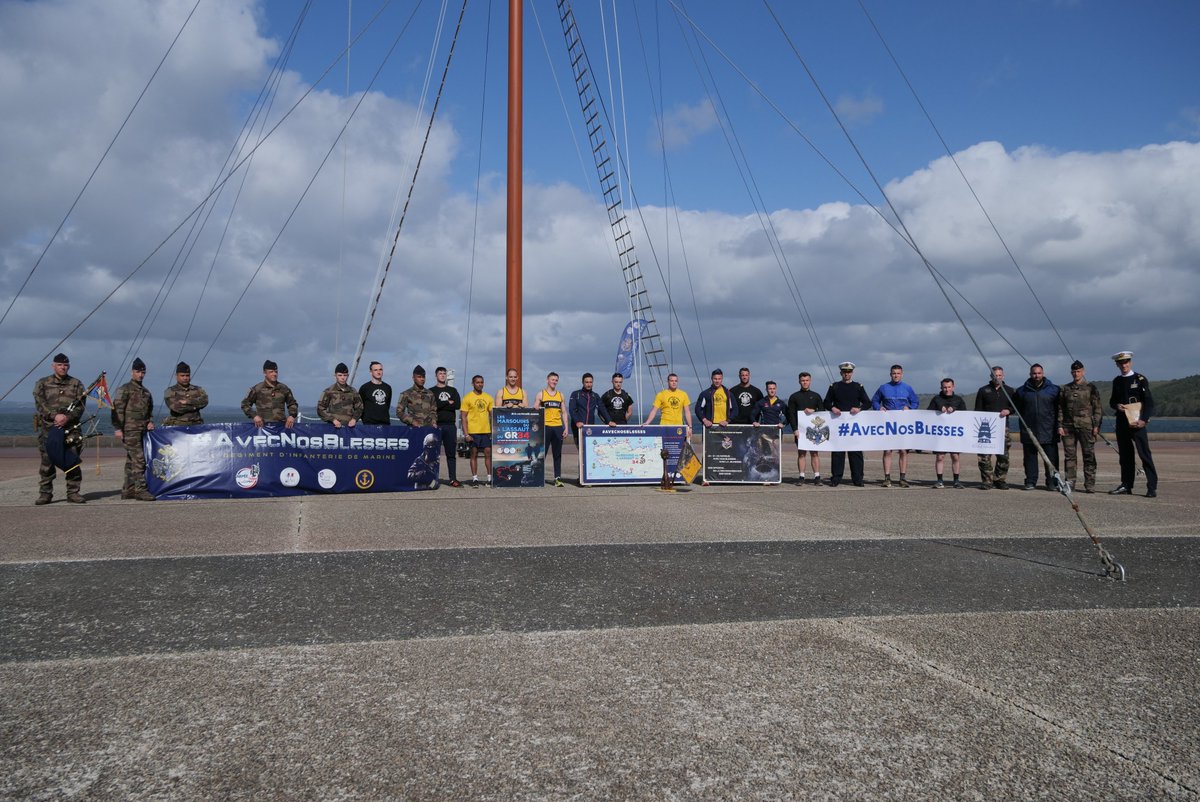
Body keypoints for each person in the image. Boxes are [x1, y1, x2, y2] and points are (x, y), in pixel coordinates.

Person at [32, 353, 87, 505]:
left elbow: (80, 406)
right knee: (47, 463)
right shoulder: (43, 383)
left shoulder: (76, 384)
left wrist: (67, 418)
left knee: (72, 461)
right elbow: (40, 403)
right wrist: (54, 416)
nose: (63, 367)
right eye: (60, 365)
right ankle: (45, 493)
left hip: (71, 429)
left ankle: (73, 492)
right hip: (50, 429)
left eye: (66, 365)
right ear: (53, 366)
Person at [1108, 351, 1158, 498]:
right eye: (1121, 363)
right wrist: (1117, 406)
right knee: (1125, 456)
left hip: (1137, 422)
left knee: (1144, 454)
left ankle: (1152, 486)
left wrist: (1144, 419)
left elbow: (1148, 402)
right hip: (1122, 422)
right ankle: (1126, 484)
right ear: (1117, 364)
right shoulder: (1116, 381)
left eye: (1127, 362)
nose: (1124, 365)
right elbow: (1112, 401)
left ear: (1131, 362)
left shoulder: (1140, 379)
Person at [112, 357, 156, 501]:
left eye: (143, 372)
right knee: (139, 460)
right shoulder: (125, 389)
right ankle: (140, 490)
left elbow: (149, 411)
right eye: (138, 372)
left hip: (142, 430)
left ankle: (128, 490)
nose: (140, 375)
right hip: (129, 430)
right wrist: (118, 428)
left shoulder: (146, 392)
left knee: (131, 461)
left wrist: (150, 422)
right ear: (132, 372)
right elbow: (117, 409)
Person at [1057, 359, 1103, 493]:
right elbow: (1060, 408)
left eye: (1078, 371)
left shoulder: (1091, 388)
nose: (1076, 374)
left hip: (1086, 426)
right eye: (1074, 372)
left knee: (1089, 455)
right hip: (1068, 427)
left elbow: (1097, 408)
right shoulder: (1065, 388)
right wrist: (1059, 425)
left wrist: (1096, 426)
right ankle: (1070, 483)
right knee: (1069, 457)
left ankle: (1090, 484)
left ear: (1083, 372)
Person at [823, 362, 871, 487]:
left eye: (849, 372)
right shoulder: (834, 387)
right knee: (838, 453)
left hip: (854, 425)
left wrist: (859, 408)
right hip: (838, 424)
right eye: (844, 372)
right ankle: (836, 478)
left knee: (855, 452)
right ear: (841, 373)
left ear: (852, 373)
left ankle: (858, 479)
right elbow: (826, 402)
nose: (846, 374)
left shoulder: (858, 387)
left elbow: (867, 403)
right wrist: (832, 408)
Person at [1014, 363, 1060, 491]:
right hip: (1029, 430)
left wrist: (1059, 426)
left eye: (1039, 373)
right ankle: (1030, 481)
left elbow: (1059, 410)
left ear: (1043, 374)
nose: (1036, 376)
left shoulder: (1054, 390)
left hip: (1049, 430)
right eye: (1034, 373)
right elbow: (1016, 408)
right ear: (1030, 374)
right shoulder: (1021, 391)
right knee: (1030, 460)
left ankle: (1052, 482)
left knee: (1051, 459)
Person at [872, 364, 920, 488]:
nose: (896, 375)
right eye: (894, 373)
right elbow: (875, 401)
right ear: (890, 374)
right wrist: (879, 407)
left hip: (903, 425)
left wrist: (909, 407)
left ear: (902, 374)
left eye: (898, 373)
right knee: (888, 450)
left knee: (903, 451)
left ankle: (902, 478)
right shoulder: (883, 387)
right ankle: (887, 478)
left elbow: (915, 402)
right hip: (888, 425)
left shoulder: (907, 388)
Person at [975, 366, 1016, 489]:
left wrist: (1008, 410)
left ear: (1003, 376)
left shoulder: (1009, 391)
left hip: (1003, 428)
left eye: (999, 375)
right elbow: (978, 410)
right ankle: (987, 481)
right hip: (986, 429)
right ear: (991, 376)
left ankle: (1000, 480)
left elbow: (1015, 407)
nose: (997, 377)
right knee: (984, 456)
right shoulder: (983, 390)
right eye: (995, 375)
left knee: (1003, 456)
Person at [786, 372, 824, 486]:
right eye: (803, 380)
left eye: (807, 380)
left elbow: (822, 411)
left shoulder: (816, 396)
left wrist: (814, 410)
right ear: (799, 381)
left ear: (810, 381)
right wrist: (794, 430)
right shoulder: (794, 397)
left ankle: (817, 476)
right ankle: (801, 476)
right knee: (801, 454)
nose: (805, 382)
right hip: (800, 431)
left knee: (814, 453)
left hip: (814, 430)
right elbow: (791, 415)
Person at [927, 378, 966, 489]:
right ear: (941, 387)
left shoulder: (959, 399)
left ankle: (956, 481)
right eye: (944, 387)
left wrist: (955, 409)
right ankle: (939, 481)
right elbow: (928, 414)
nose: (947, 389)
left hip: (954, 434)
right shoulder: (936, 399)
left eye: (949, 387)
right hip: (940, 434)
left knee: (955, 457)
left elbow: (965, 416)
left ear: (953, 387)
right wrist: (939, 409)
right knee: (940, 457)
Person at [535, 372, 568, 487]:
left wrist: (566, 428)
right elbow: (535, 411)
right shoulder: (541, 394)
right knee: (541, 453)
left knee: (557, 454)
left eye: (556, 380)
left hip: (558, 427)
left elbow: (564, 412)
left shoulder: (560, 395)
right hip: (545, 427)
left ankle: (557, 478)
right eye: (552, 379)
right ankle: (537, 477)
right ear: (547, 380)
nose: (554, 381)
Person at [242, 360, 298, 428]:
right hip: (262, 427)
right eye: (271, 372)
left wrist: (292, 416)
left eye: (276, 372)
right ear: (265, 373)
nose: (274, 374)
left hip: (281, 428)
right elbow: (245, 404)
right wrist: (254, 416)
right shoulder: (257, 389)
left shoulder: (284, 388)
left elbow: (292, 404)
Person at [461, 374, 494, 487]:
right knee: (473, 454)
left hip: (485, 431)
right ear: (473, 384)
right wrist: (466, 434)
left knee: (488, 454)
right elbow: (463, 417)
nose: (480, 384)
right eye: (477, 382)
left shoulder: (488, 397)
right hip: (473, 431)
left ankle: (489, 478)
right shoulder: (467, 397)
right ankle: (475, 479)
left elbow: (492, 415)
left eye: (481, 382)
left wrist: (494, 430)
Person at [432, 366, 462, 487]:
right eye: (440, 373)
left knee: (451, 454)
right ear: (436, 376)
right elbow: (432, 406)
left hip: (450, 425)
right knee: (433, 454)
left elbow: (457, 405)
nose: (443, 375)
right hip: (436, 425)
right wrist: (447, 403)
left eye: (444, 373)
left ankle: (453, 479)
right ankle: (433, 478)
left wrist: (441, 405)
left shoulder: (453, 391)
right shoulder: (431, 391)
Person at [317, 362, 363, 428]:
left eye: (345, 375)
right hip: (333, 427)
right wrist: (333, 420)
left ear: (348, 375)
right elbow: (320, 409)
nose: (342, 378)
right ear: (335, 375)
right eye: (340, 375)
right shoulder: (329, 391)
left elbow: (360, 407)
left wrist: (354, 419)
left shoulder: (353, 391)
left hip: (349, 427)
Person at [162, 361, 208, 426]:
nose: (185, 378)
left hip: (196, 425)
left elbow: (204, 401)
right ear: (176, 376)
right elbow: (177, 408)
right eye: (182, 375)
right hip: (178, 426)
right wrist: (196, 407)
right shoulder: (170, 391)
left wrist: (187, 402)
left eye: (187, 375)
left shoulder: (197, 389)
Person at [568, 373, 608, 443]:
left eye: (590, 382)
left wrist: (609, 421)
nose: (589, 384)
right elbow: (572, 410)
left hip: (590, 428)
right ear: (582, 382)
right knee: (580, 450)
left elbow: (602, 409)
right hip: (578, 427)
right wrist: (577, 421)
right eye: (586, 382)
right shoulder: (575, 394)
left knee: (589, 449)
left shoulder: (595, 396)